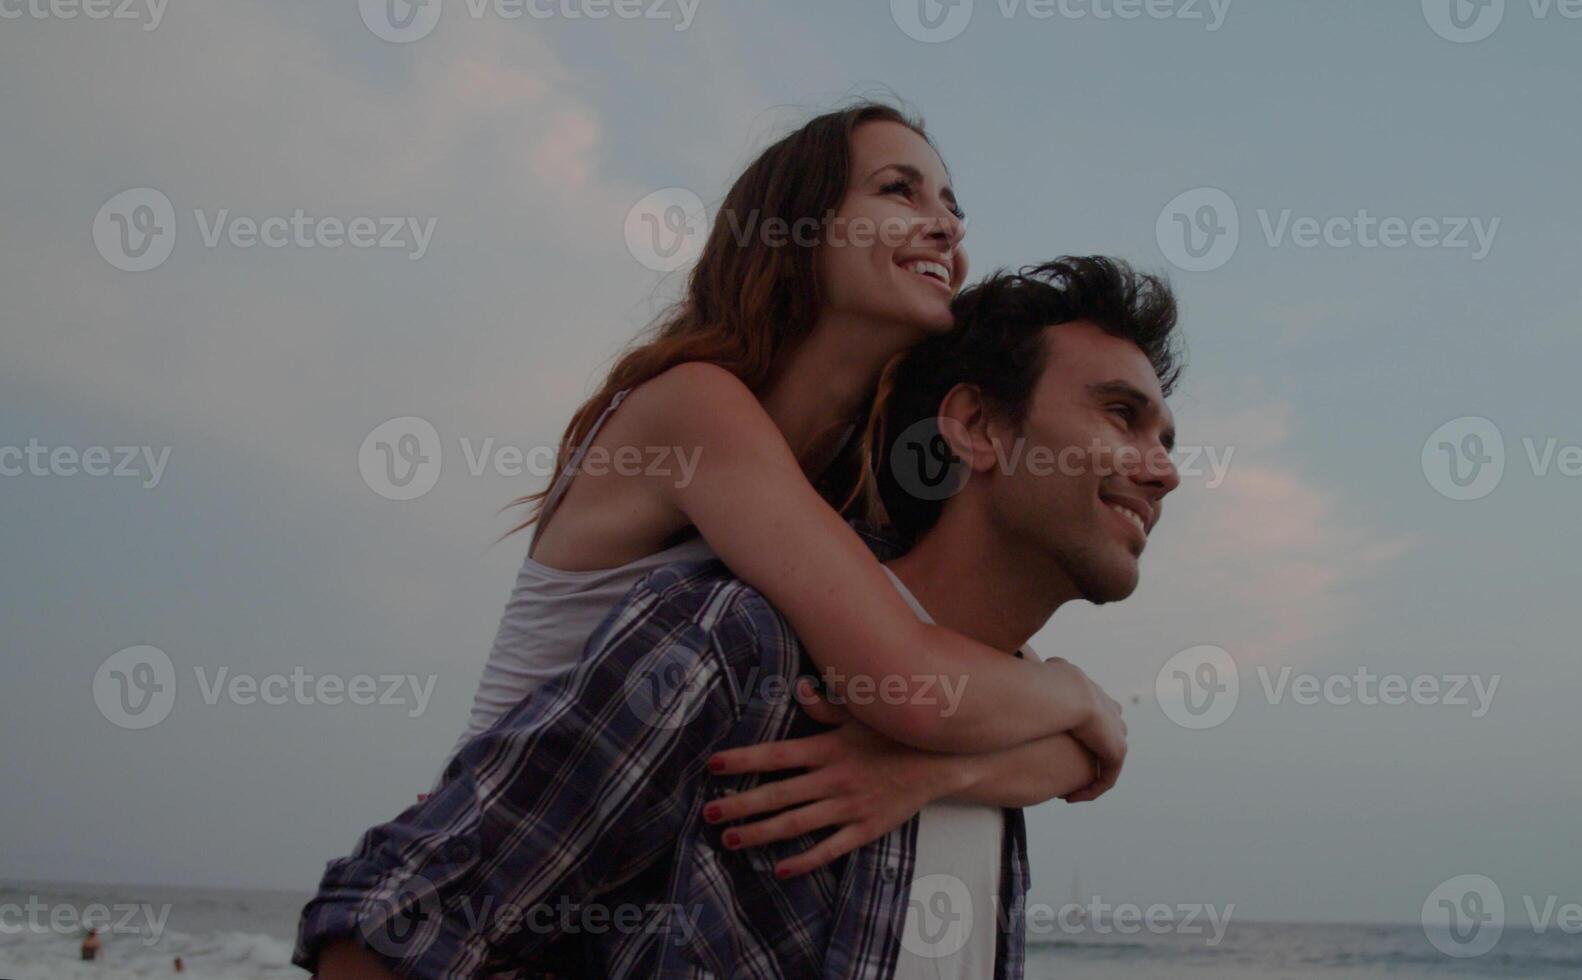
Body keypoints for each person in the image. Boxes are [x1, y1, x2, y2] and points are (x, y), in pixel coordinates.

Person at [295, 256, 1183, 979]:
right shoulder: (736, 649)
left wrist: (966, 752)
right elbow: (390, 928)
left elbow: (1087, 753)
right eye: (1121, 416)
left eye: (1167, 441)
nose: (1163, 471)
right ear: (975, 427)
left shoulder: (1016, 725)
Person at [443, 101, 1127, 792]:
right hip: (495, 854)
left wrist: (922, 775)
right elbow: (919, 689)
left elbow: (1074, 755)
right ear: (799, 229)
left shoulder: (857, 475)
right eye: (899, 190)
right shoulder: (693, 408)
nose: (947, 228)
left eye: (952, 208)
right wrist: (1072, 692)